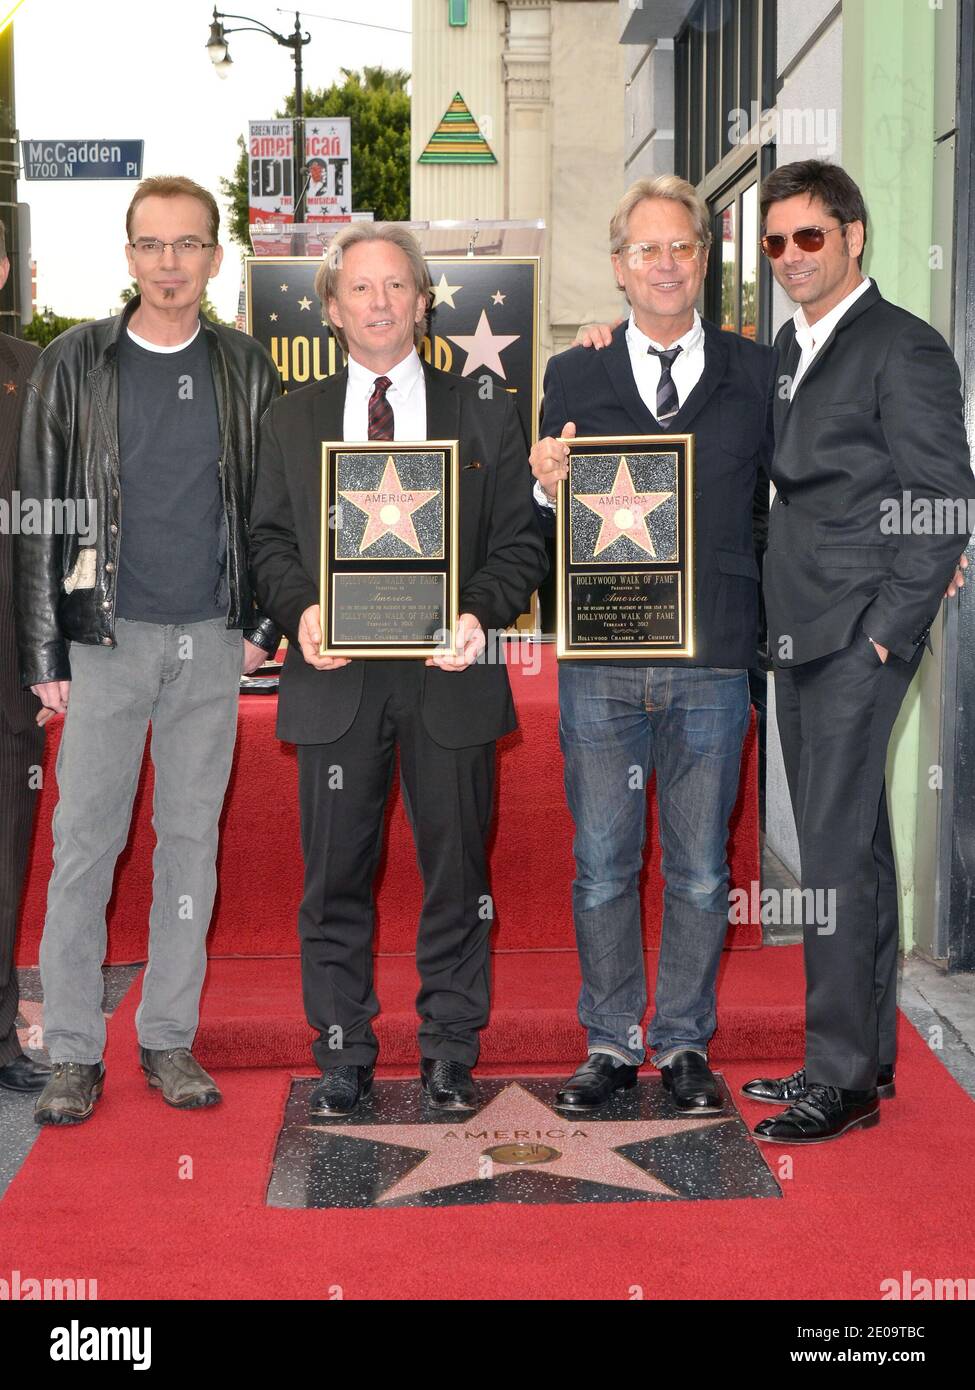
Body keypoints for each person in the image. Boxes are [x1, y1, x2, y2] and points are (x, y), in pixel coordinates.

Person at [249, 222, 547, 1117]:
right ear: (331, 309)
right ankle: (342, 1054)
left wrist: (476, 615)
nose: (379, 304)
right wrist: (302, 610)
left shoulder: (487, 407)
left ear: (423, 302)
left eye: (396, 288)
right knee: (334, 877)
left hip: (448, 673)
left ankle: (450, 1050)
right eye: (360, 289)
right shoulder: (291, 417)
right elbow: (266, 540)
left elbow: (521, 544)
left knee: (457, 874)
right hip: (335, 676)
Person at [15, 175, 281, 1126]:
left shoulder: (247, 369)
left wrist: (259, 629)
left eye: (189, 244)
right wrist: (46, 649)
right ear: (129, 256)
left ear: (215, 255)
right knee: (84, 847)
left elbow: (271, 513)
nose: (171, 263)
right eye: (153, 245)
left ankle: (169, 1039)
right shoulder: (72, 364)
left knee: (190, 848)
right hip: (103, 640)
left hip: (210, 642)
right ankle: (76, 1052)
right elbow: (38, 519)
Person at [529, 176, 774, 1114]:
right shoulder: (572, 373)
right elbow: (551, 500)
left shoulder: (756, 371)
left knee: (703, 866)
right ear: (619, 268)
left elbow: (795, 493)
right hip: (602, 660)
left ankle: (681, 1043)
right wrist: (547, 481)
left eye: (680, 248)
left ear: (703, 262)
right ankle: (607, 1041)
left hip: (714, 653)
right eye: (645, 250)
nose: (664, 264)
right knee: (601, 862)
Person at [744, 159, 974, 1144]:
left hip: (856, 636)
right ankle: (862, 1054)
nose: (792, 257)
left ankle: (838, 1081)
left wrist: (890, 631)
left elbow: (944, 500)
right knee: (854, 844)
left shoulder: (901, 347)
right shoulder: (793, 347)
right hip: (800, 627)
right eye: (776, 243)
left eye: (810, 237)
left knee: (830, 852)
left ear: (854, 235)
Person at [0, 222, 52, 1096]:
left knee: (4, 850)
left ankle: (1, 1026)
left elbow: (60, 515)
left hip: (9, 665)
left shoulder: (34, 372)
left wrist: (55, 650)